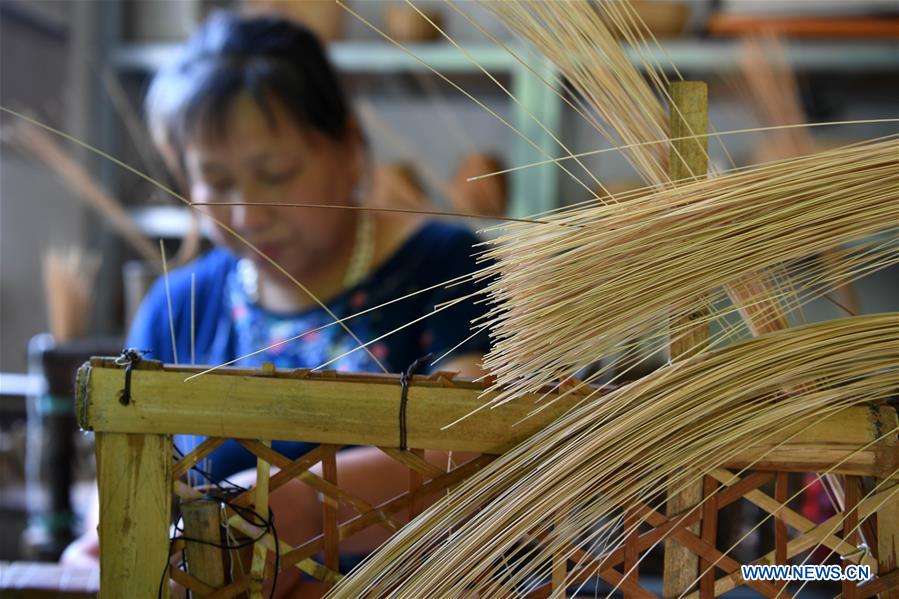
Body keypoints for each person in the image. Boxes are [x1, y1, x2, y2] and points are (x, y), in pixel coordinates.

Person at [63, 11, 490, 596]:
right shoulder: (178, 305)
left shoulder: (447, 267)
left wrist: (305, 504)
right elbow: (123, 472)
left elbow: (472, 446)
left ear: (349, 149)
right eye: (215, 180)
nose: (247, 215)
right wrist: (104, 538)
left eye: (275, 174)